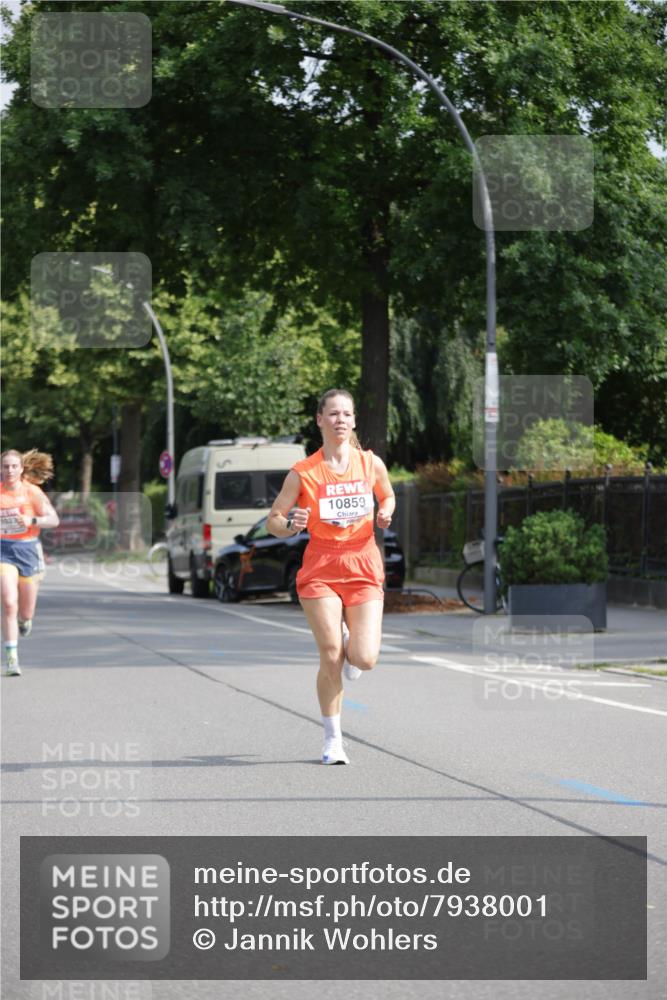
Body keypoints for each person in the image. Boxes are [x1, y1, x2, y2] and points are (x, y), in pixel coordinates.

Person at [268, 389, 395, 765]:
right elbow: (274, 519)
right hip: (321, 566)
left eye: (346, 414)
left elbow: (387, 496)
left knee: (364, 658)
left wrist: (385, 512)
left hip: (362, 564)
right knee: (331, 656)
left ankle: (351, 642)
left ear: (354, 421)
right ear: (319, 420)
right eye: (333, 413)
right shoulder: (303, 473)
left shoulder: (371, 464)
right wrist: (291, 523)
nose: (340, 419)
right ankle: (333, 740)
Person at [0, 449, 59, 676]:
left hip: (28, 551)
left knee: (25, 611)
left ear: (21, 468)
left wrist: (31, 519)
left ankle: (25, 621)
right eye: (5, 467)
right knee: (8, 602)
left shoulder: (32, 492)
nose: (10, 470)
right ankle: (12, 659)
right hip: (3, 550)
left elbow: (53, 520)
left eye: (14, 466)